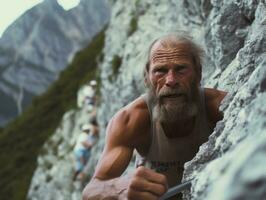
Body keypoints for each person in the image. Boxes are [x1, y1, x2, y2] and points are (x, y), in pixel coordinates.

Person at [82, 33, 227, 200]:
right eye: (160, 71)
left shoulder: (221, 107)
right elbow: (91, 190)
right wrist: (119, 189)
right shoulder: (130, 120)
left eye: (181, 69)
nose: (171, 80)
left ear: (198, 73)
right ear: (146, 78)